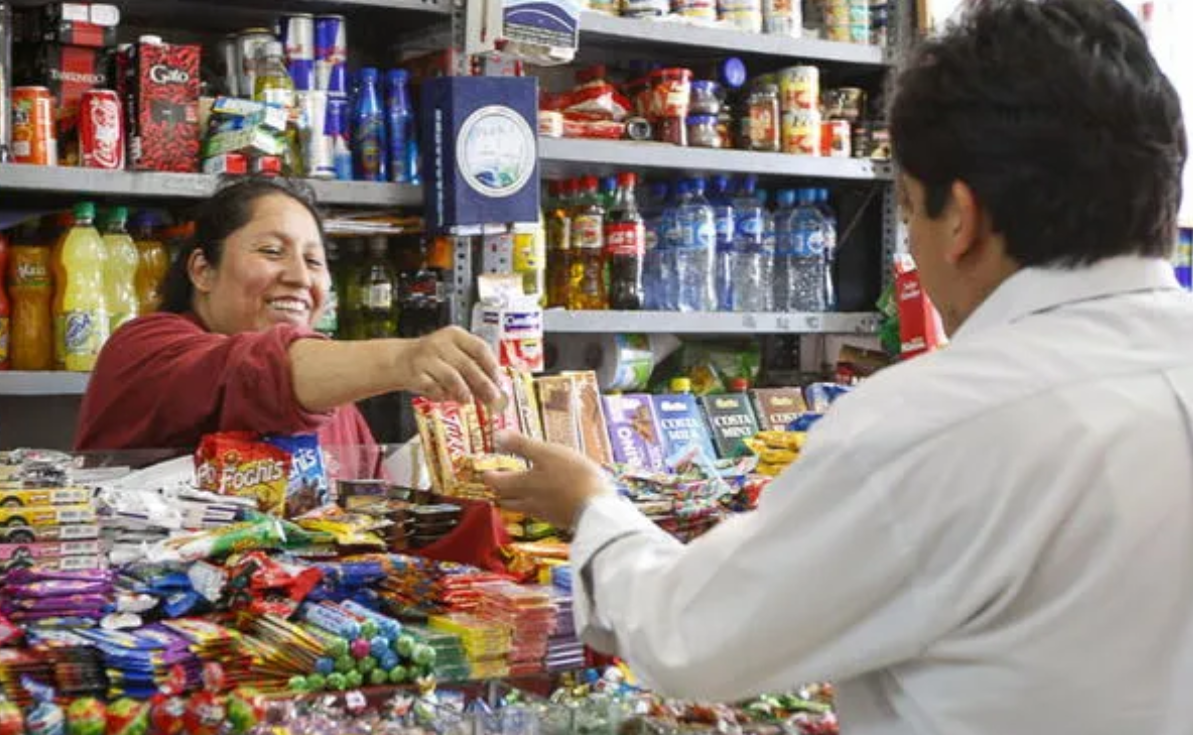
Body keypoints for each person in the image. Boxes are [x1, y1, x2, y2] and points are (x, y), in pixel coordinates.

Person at [484, 1, 1193, 733]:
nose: (911, 246)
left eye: (911, 210)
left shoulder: (937, 423)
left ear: (963, 219)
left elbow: (691, 638)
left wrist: (592, 506)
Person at [77, 177, 501, 481]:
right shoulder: (143, 349)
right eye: (271, 251)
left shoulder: (335, 399)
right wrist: (405, 358)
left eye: (315, 261)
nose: (300, 277)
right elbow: (256, 371)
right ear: (202, 270)